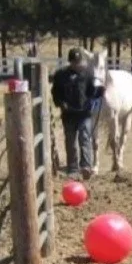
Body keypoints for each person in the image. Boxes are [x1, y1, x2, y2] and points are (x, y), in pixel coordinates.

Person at [51, 47, 105, 180]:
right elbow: (55, 92)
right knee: (70, 140)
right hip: (68, 113)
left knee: (85, 137)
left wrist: (99, 91)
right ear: (70, 62)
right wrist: (60, 103)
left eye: (79, 62)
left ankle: (86, 166)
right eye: (75, 62)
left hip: (84, 113)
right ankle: (73, 167)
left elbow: (91, 91)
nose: (77, 64)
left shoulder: (88, 74)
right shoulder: (60, 75)